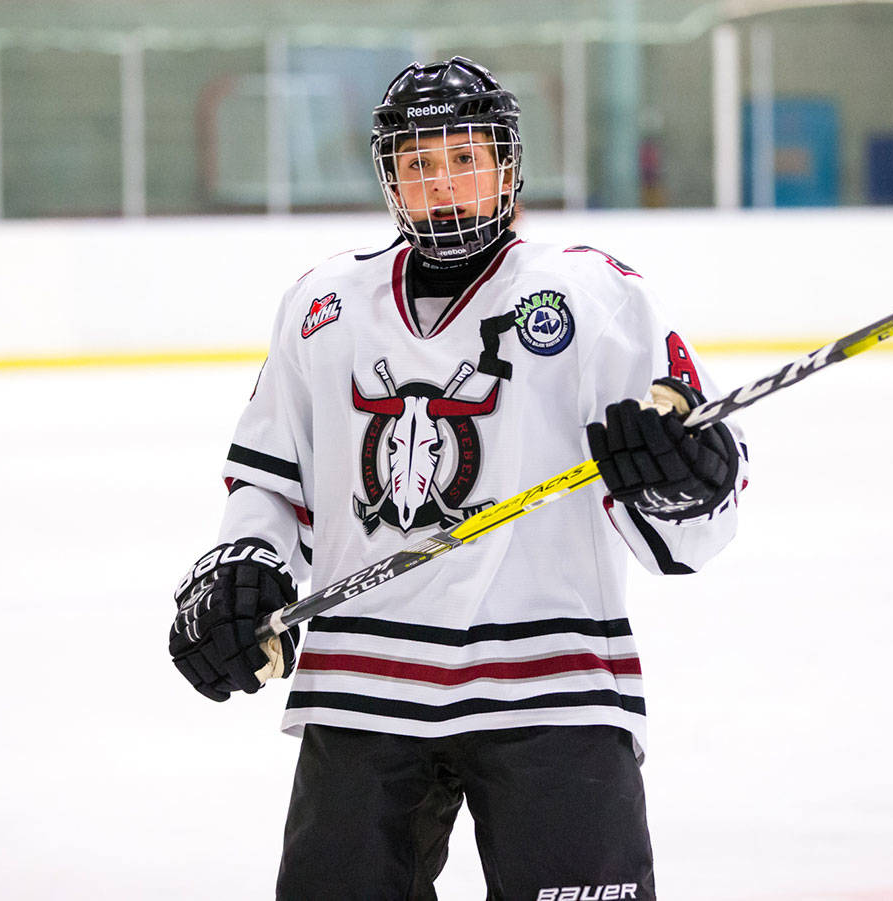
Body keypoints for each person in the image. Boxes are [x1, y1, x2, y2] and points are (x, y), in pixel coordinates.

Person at [168, 56, 747, 900]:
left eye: (465, 159)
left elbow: (700, 526)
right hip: (364, 688)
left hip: (555, 688)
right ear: (390, 178)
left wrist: (683, 477)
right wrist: (245, 568)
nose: (443, 186)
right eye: (419, 164)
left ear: (508, 167)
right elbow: (268, 482)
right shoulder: (322, 305)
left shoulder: (593, 294)